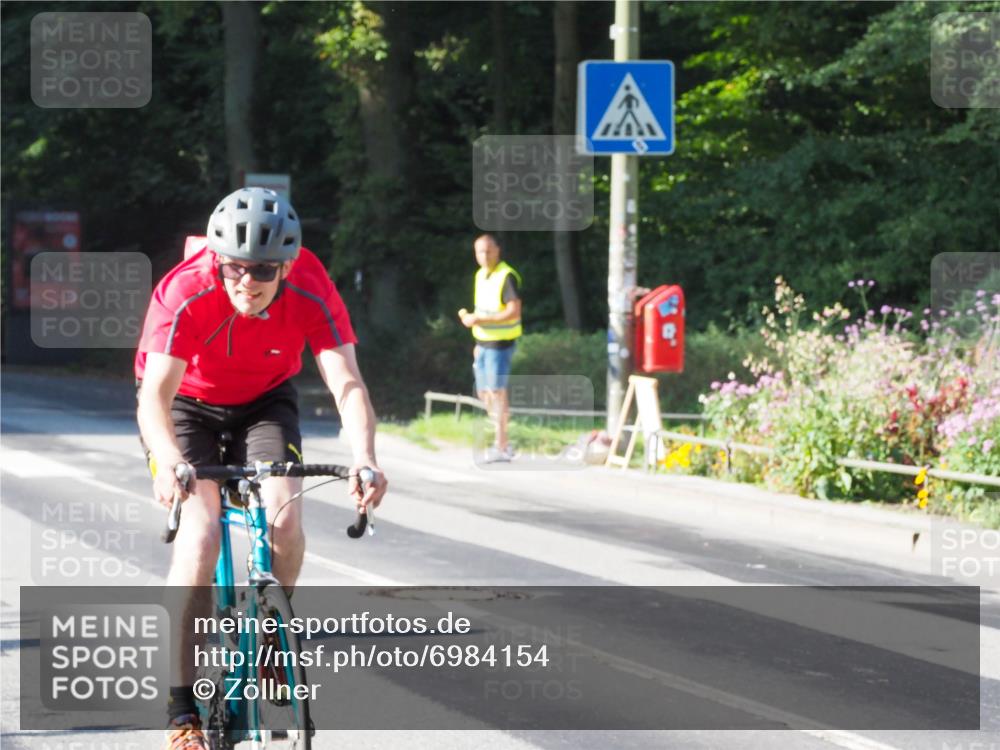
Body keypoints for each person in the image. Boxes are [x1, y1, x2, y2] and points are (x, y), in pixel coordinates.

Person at [135, 187, 388, 750]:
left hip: (265, 399)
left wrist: (366, 458)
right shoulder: (185, 289)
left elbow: (346, 382)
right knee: (198, 538)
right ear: (217, 261)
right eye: (235, 268)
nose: (246, 281)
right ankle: (181, 710)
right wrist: (170, 460)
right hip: (186, 404)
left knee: (285, 521)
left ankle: (272, 634)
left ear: (287, 266)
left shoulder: (310, 286)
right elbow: (154, 396)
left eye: (263, 270)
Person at [457, 233, 522, 462]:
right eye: (479, 252)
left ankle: (501, 445)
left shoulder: (506, 276)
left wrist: (480, 321)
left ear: (497, 251)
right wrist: (477, 334)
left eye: (488, 251)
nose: (484, 256)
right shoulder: (481, 275)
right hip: (483, 343)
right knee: (485, 393)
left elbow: (513, 311)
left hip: (500, 344)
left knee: (497, 393)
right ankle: (504, 439)